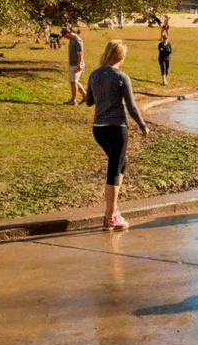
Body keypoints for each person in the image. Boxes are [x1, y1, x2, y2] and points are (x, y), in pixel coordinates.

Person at [85, 40, 150, 230]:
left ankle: (113, 210)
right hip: (116, 127)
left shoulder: (94, 74)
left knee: (122, 163)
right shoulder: (122, 77)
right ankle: (109, 216)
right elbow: (131, 106)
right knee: (114, 169)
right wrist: (142, 125)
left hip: (99, 128)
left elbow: (89, 101)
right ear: (121, 57)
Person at [61, 27, 86, 105]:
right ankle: (86, 96)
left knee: (73, 82)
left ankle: (73, 101)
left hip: (76, 64)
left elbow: (80, 53)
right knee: (74, 81)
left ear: (68, 33)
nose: (64, 38)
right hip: (73, 64)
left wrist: (79, 65)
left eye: (64, 36)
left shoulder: (76, 40)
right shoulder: (72, 39)